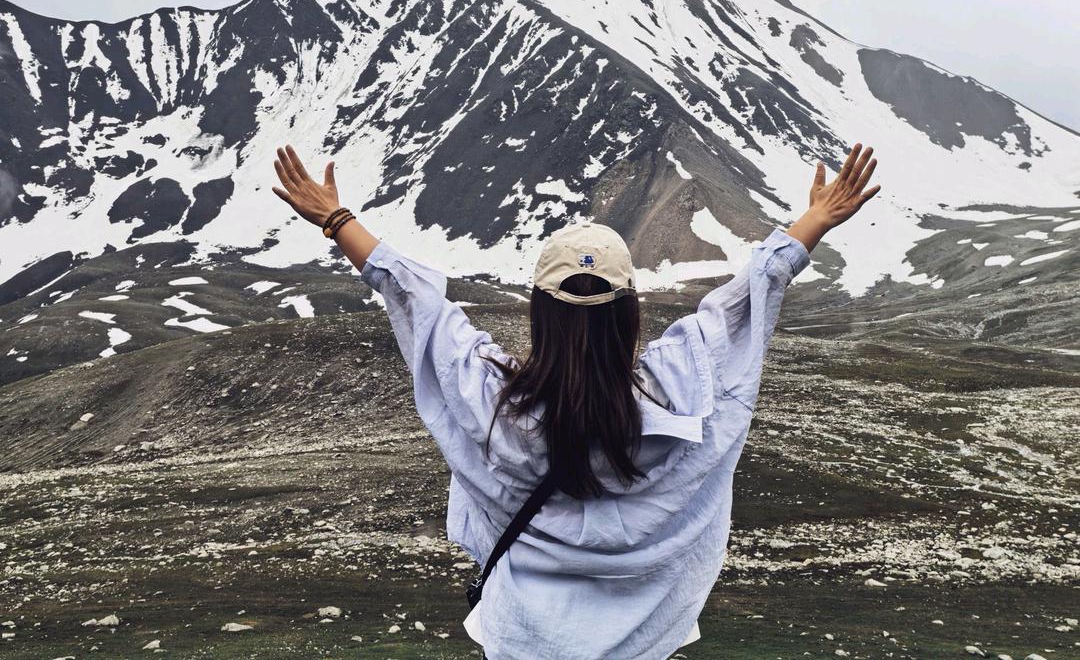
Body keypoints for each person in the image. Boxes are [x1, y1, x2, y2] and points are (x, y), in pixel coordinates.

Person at [271, 142, 881, 660]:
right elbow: (746, 300)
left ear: (540, 311)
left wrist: (336, 219)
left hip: (525, 642)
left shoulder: (493, 405)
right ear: (628, 311)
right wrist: (813, 224)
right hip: (644, 643)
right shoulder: (682, 390)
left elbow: (418, 304)